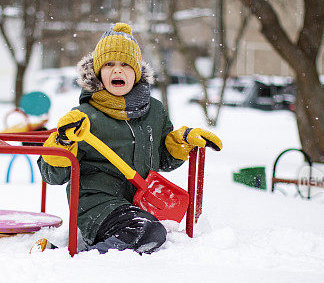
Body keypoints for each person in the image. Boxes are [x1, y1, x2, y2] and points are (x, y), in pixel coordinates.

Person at [36, 23, 222, 254]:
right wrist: (63, 141)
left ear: (136, 71)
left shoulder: (154, 111)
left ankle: (84, 252)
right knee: (148, 232)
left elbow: (164, 160)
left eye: (125, 64)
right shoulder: (83, 117)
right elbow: (52, 175)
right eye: (109, 64)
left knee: (148, 229)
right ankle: (76, 259)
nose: (117, 71)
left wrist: (182, 141)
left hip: (139, 203)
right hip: (97, 204)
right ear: (97, 72)